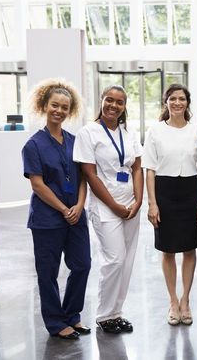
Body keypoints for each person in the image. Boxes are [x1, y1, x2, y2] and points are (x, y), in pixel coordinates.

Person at [21, 79, 91, 340]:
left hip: (76, 215)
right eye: (54, 105)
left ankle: (72, 315)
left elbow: (84, 177)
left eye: (64, 107)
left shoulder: (76, 141)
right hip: (47, 219)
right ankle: (55, 322)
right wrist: (64, 209)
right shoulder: (33, 145)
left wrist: (79, 206)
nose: (59, 111)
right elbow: (37, 185)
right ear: (44, 106)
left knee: (82, 264)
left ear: (70, 110)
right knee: (48, 273)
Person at [73, 85, 143, 334]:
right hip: (105, 206)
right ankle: (104, 315)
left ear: (125, 106)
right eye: (109, 100)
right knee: (114, 259)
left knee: (127, 260)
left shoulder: (129, 132)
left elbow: (136, 167)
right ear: (101, 101)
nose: (114, 105)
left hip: (130, 206)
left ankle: (116, 313)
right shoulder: (88, 133)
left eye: (120, 102)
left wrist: (138, 201)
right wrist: (114, 205)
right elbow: (89, 174)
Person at [143, 84, 197, 326]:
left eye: (182, 99)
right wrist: (152, 203)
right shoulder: (156, 131)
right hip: (165, 192)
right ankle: (173, 301)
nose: (177, 102)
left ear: (187, 103)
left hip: (191, 192)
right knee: (168, 249)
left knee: (189, 248)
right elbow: (149, 169)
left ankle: (186, 301)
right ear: (166, 102)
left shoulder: (196, 131)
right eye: (173, 98)